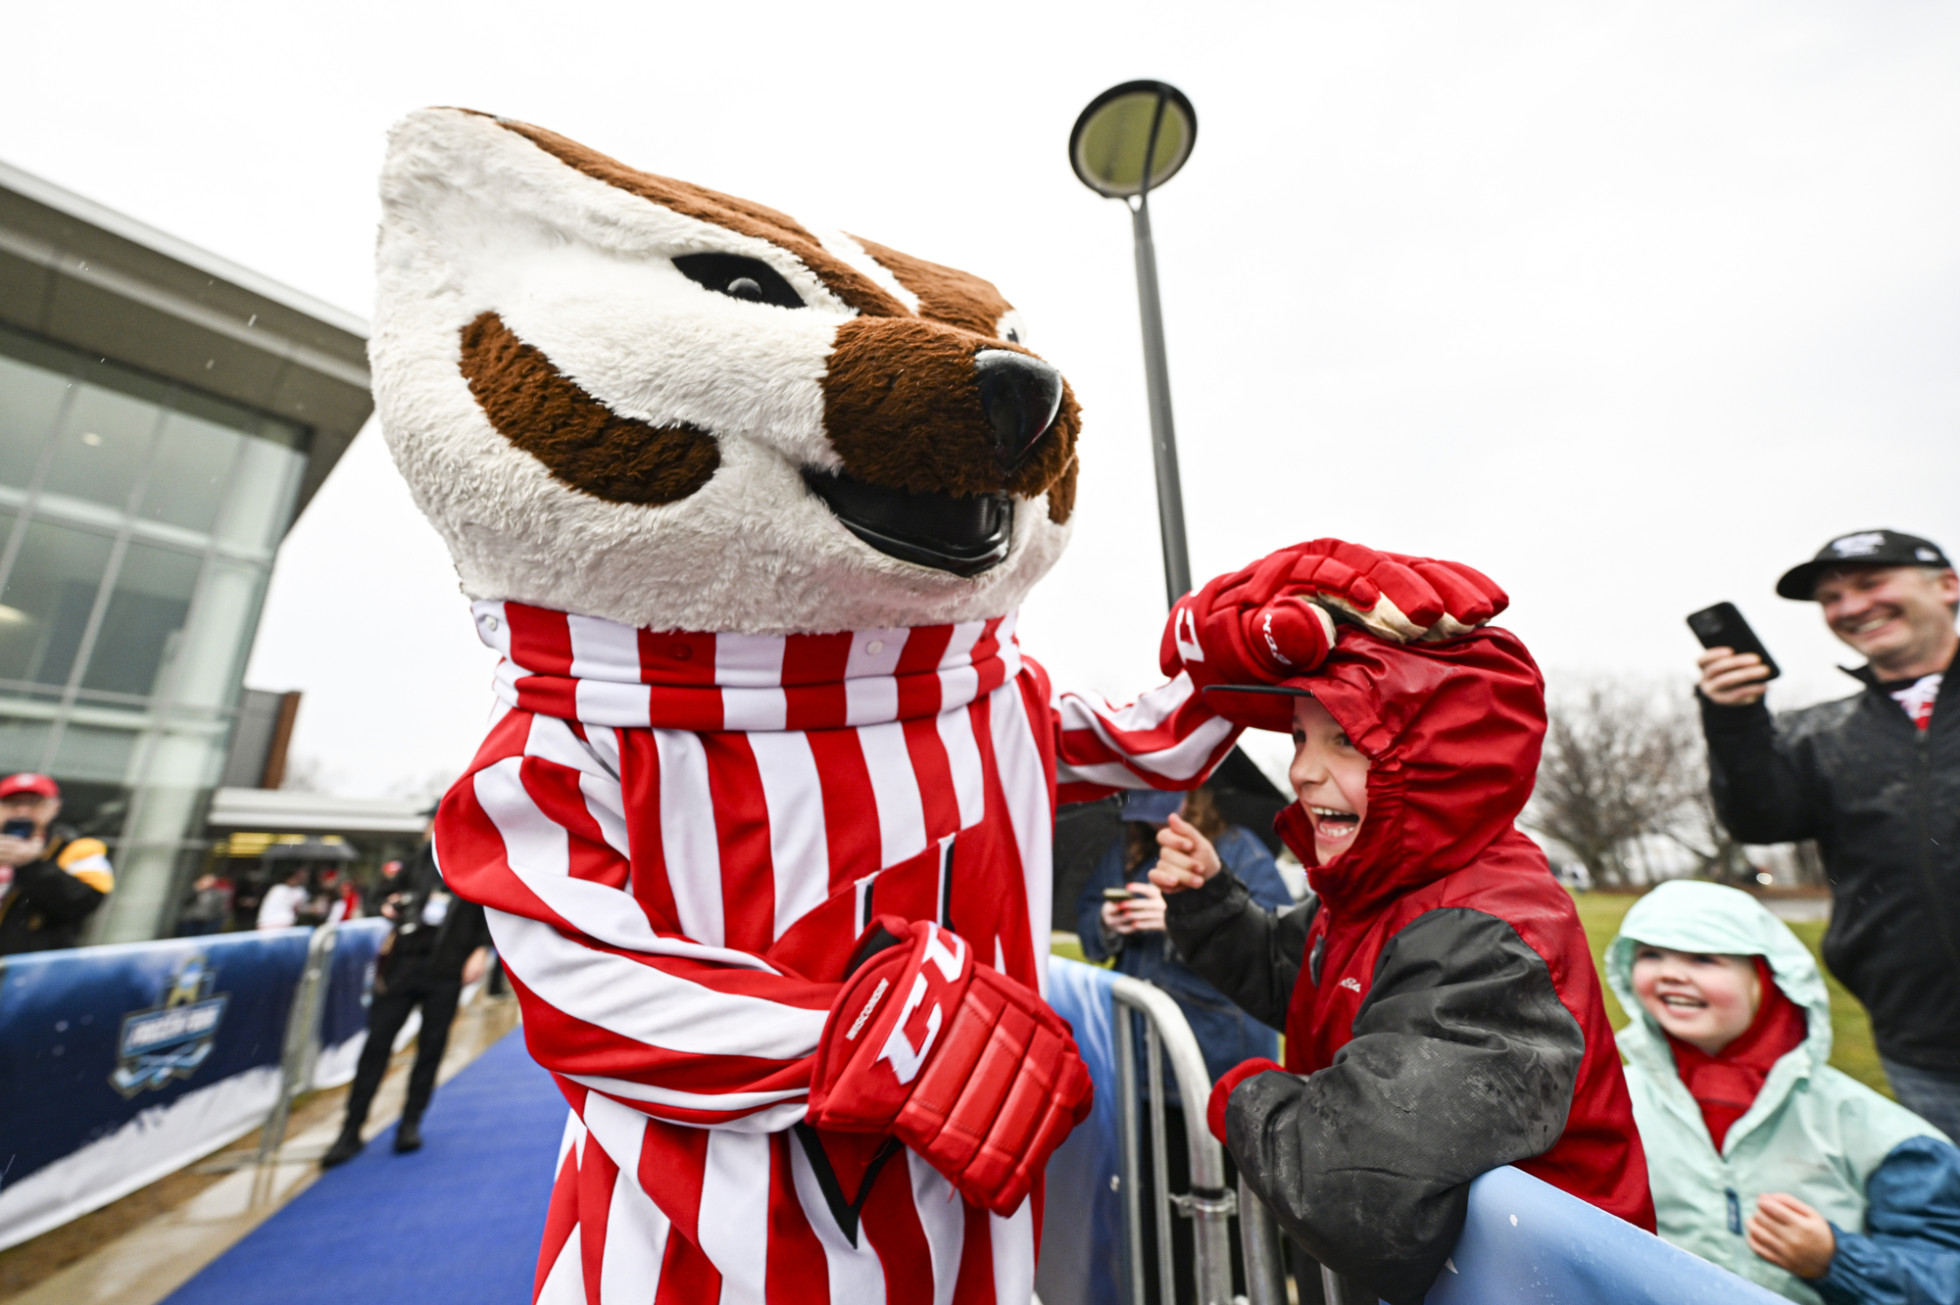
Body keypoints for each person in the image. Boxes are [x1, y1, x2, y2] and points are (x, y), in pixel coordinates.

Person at [1149, 545, 1654, 1304]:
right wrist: (1211, 901)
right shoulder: (1383, 888)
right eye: (1298, 737)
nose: (1302, 772)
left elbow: (1352, 1189)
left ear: (1438, 756)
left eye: (1343, 738)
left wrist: (1242, 1093)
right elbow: (1306, 981)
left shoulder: (1485, 936)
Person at [1696, 529, 1960, 1141]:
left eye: (1870, 584)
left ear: (1948, 586)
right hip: (1919, 1041)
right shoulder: (1818, 733)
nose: (1850, 608)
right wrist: (1732, 720)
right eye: (1832, 598)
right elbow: (1759, 821)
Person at [1607, 879, 1960, 1305]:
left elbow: (1944, 1278)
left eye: (1704, 958)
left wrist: (1836, 1260)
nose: (1670, 973)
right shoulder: (1614, 1102)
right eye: (1650, 954)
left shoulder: (1875, 1133)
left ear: (1768, 978)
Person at [1076, 785, 1292, 1304]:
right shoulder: (1123, 854)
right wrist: (1107, 923)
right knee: (1154, 1204)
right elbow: (1087, 927)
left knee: (1226, 1206)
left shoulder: (1238, 848)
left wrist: (1178, 922)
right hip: (1141, 1067)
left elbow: (1274, 935)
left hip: (1217, 1066)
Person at [321, 840, 491, 1167]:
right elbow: (378, 897)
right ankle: (350, 1129)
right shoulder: (419, 859)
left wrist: (482, 949)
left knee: (431, 1048)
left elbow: (490, 908)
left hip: (447, 969)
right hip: (403, 966)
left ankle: (410, 1123)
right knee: (376, 1046)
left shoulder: (478, 856)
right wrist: (388, 905)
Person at [0, 772, 113, 955]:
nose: (22, 810)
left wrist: (31, 865)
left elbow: (82, 903)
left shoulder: (80, 849)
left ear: (54, 807)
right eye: (12, 803)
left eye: (33, 803)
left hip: (31, 969)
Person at [255, 865, 310, 929]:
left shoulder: (276, 888)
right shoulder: (282, 889)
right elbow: (299, 908)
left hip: (264, 924)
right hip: (281, 924)